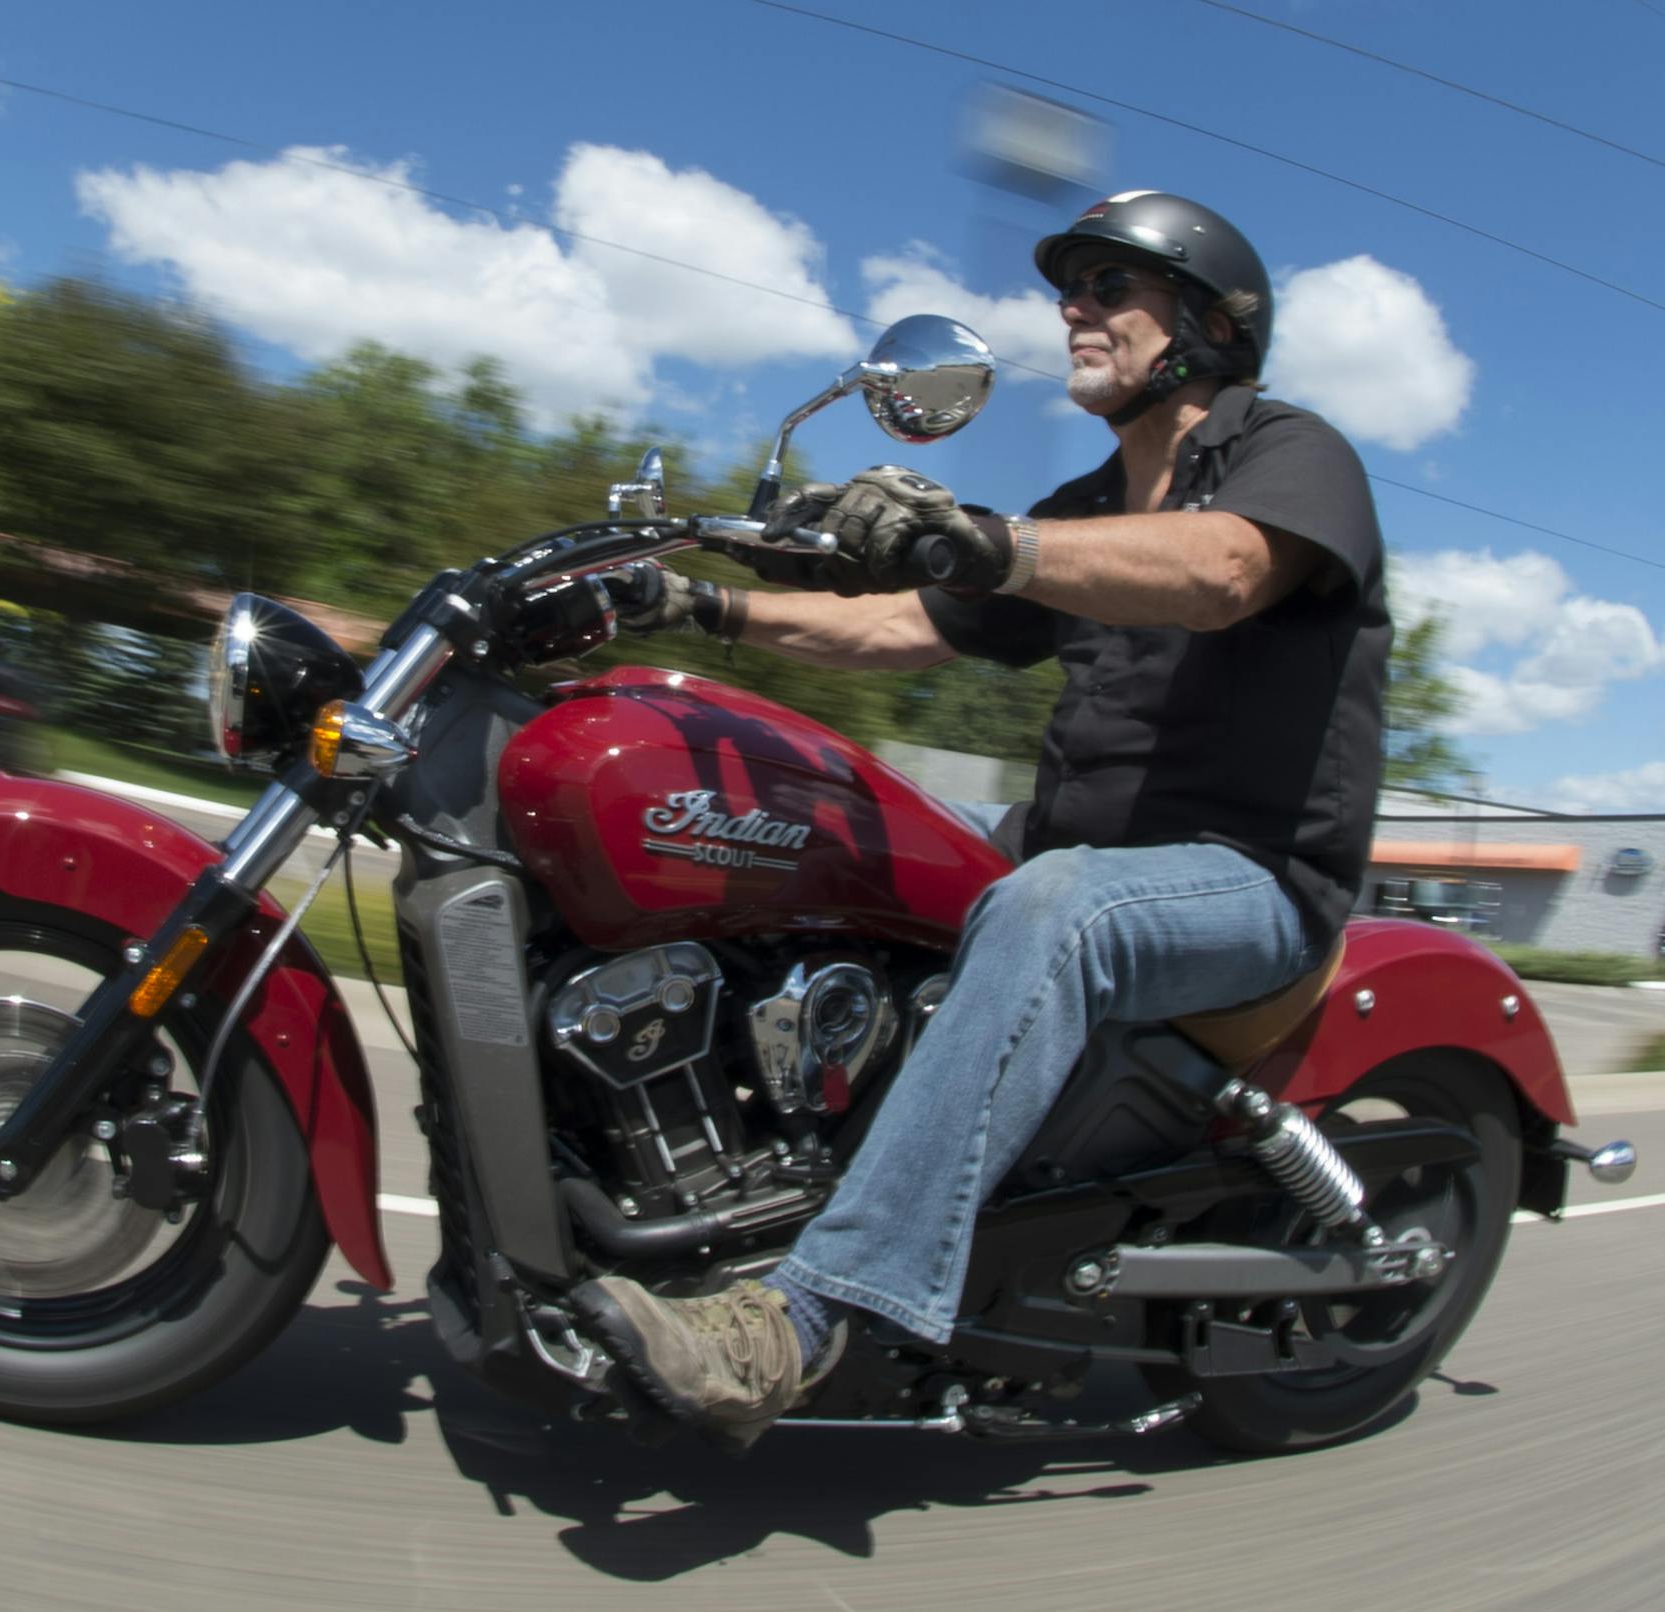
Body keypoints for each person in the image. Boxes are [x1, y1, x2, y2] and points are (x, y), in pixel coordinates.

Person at [574, 190, 1392, 1450]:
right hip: (1074, 843)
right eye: (1070, 287)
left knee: (1055, 908)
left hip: (1251, 882)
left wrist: (984, 540)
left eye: (1110, 286)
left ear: (1210, 325)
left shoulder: (1288, 450)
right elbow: (904, 624)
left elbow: (1223, 570)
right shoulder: (1086, 505)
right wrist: (698, 604)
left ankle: (810, 1316)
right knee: (811, 819)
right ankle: (727, 1169)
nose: (1073, 309)